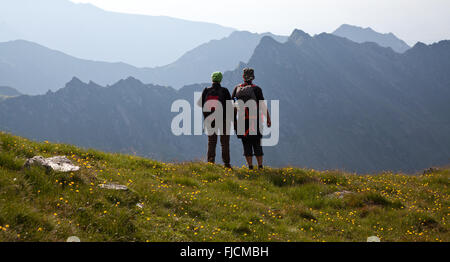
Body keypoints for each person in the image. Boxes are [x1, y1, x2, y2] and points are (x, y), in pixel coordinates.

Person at [232, 68, 271, 170]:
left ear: (243, 77)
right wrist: (268, 119)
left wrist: (234, 121)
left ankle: (250, 167)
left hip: (241, 120)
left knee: (246, 143)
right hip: (254, 120)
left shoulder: (236, 89)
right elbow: (262, 105)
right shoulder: (257, 89)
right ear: (253, 77)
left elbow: (234, 106)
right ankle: (260, 167)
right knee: (257, 143)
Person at [198, 72, 232, 168]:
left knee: (211, 142)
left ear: (212, 79)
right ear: (220, 80)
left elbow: (201, 104)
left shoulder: (206, 90)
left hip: (210, 120)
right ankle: (226, 164)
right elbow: (229, 106)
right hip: (223, 120)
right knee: (224, 143)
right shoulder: (224, 91)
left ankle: (210, 162)